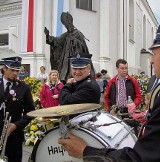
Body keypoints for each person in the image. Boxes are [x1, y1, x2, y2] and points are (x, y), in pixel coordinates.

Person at [58, 25, 160, 162]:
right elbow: (106, 96)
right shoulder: (112, 82)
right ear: (117, 69)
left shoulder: (132, 81)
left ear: (88, 68)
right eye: (122, 68)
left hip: (129, 112)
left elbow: (138, 95)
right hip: (115, 112)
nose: (151, 60)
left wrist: (134, 107)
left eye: (154, 53)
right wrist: (110, 107)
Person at [0, 56, 35, 162]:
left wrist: (16, 125)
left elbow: (30, 112)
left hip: (14, 136)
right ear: (4, 69)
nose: (15, 73)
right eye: (12, 70)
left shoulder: (24, 88)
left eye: (17, 70)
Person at [44, 12, 95, 81]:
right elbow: (57, 41)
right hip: (66, 60)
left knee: (74, 73)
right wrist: (48, 36)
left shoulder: (78, 34)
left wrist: (74, 41)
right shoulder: (66, 34)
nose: (66, 26)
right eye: (65, 25)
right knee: (64, 75)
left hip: (76, 58)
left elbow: (83, 47)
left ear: (70, 23)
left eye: (67, 24)